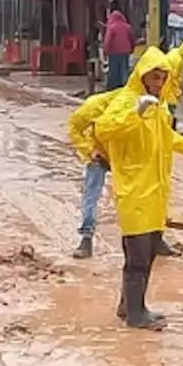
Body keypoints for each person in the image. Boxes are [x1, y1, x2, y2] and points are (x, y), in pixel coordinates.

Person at [95, 47, 183, 330]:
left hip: (155, 191)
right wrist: (136, 113)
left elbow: (166, 137)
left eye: (162, 78)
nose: (158, 84)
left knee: (147, 254)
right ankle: (136, 315)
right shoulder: (127, 101)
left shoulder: (156, 106)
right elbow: (103, 130)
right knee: (137, 256)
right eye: (154, 78)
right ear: (143, 76)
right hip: (134, 191)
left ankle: (129, 306)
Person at [67, 89, 118, 259]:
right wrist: (90, 151)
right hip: (98, 154)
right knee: (92, 194)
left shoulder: (144, 105)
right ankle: (86, 238)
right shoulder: (94, 106)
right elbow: (74, 128)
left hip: (124, 155)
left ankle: (155, 237)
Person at [102, 1, 134, 90]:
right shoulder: (127, 27)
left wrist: (106, 51)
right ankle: (125, 85)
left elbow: (108, 40)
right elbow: (132, 39)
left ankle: (113, 86)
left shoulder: (112, 27)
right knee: (124, 69)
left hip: (114, 52)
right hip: (125, 51)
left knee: (114, 70)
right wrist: (132, 48)